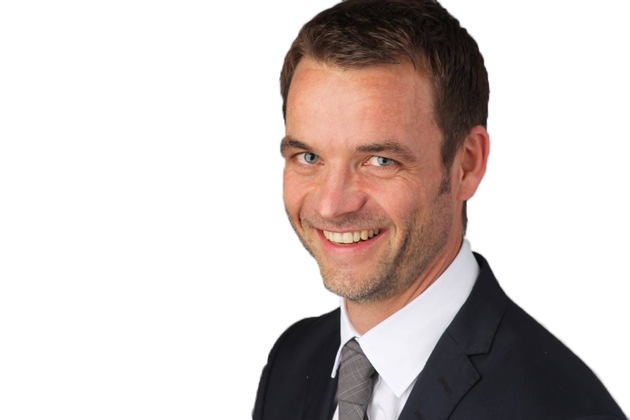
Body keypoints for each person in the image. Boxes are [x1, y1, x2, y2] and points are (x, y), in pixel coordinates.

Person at [252, 0, 626, 419]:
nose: (331, 205)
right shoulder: (293, 362)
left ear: (467, 164)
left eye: (380, 161)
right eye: (308, 157)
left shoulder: (558, 407)